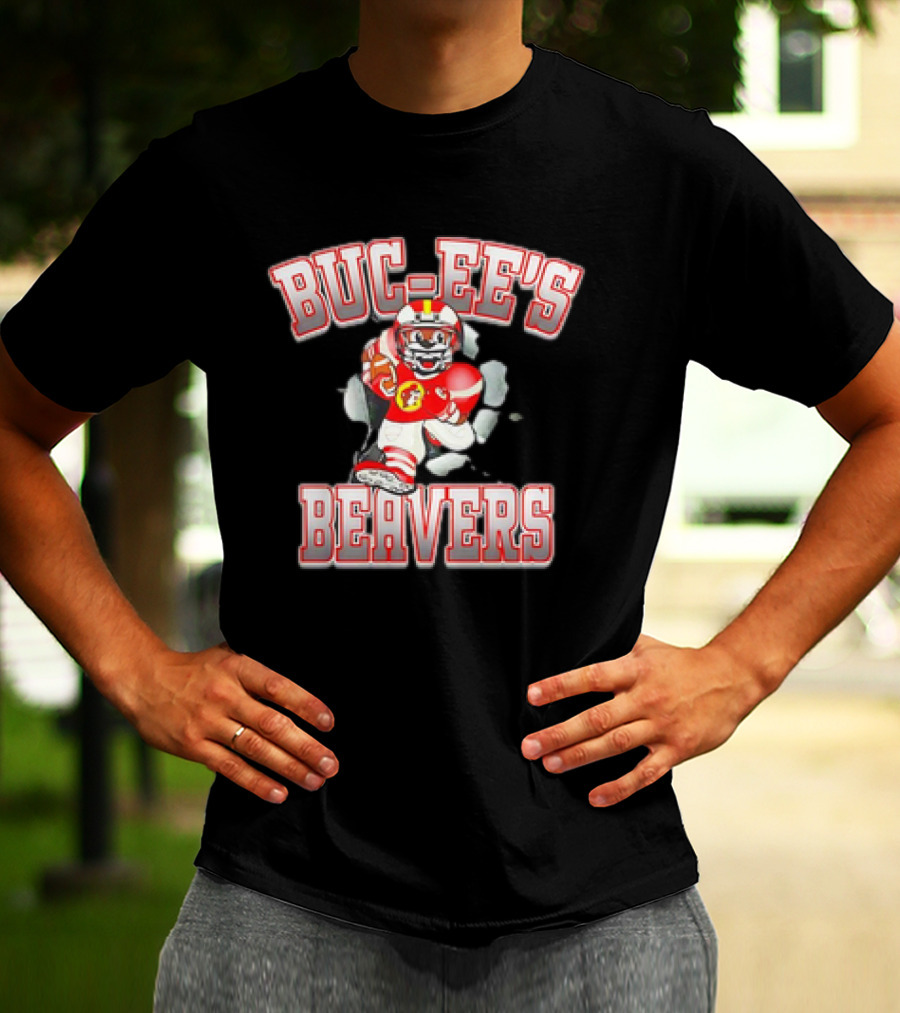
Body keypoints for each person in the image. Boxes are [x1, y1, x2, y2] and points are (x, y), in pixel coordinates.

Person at [1, 0, 898, 1009]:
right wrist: (135, 668)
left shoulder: (668, 174)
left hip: (596, 922)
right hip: (286, 909)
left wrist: (743, 664)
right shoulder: (219, 177)